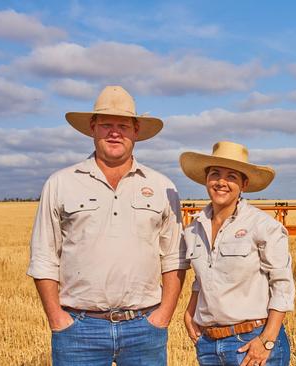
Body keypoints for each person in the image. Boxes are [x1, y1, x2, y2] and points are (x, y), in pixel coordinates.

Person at [27, 86, 188, 365]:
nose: (115, 132)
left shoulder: (162, 186)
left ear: (136, 131)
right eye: (106, 125)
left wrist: (162, 316)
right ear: (92, 128)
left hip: (143, 327)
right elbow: (43, 256)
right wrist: (57, 318)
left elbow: (174, 257)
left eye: (123, 125)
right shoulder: (60, 183)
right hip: (79, 329)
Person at [180, 141, 295, 366]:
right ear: (206, 180)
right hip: (209, 346)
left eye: (232, 176)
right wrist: (190, 311)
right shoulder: (193, 230)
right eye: (215, 174)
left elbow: (282, 285)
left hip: (252, 342)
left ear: (244, 184)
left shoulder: (262, 226)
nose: (222, 182)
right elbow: (202, 278)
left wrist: (267, 341)